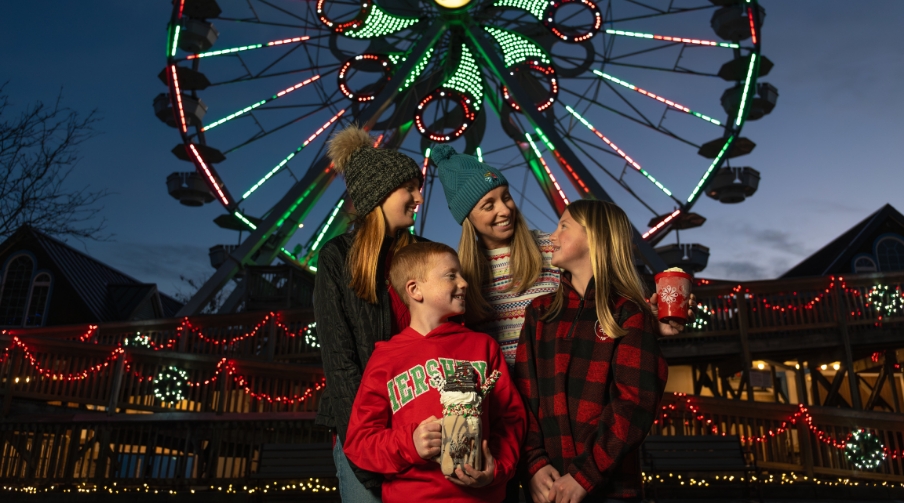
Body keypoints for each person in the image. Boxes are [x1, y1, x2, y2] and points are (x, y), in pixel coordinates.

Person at [430, 145, 691, 369]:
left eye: (506, 197)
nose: (505, 210)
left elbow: (597, 302)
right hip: (500, 399)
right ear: (467, 219)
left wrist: (650, 326)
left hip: (556, 388)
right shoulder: (461, 272)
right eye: (489, 205)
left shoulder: (552, 249)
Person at [344, 242, 527, 503]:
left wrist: (496, 469)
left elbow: (511, 419)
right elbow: (359, 441)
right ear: (415, 289)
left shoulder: (483, 347)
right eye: (451, 275)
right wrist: (411, 443)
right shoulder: (385, 358)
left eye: (461, 274)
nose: (464, 283)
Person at [515, 200, 668, 503]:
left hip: (610, 487)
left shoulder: (628, 313)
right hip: (546, 486)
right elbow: (523, 397)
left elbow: (634, 404)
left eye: (563, 226)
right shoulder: (539, 313)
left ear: (594, 237)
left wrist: (586, 475)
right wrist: (533, 464)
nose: (551, 236)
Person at [314, 124, 426, 501]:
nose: (418, 198)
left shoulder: (428, 255)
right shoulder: (336, 258)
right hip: (363, 433)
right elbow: (340, 361)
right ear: (378, 193)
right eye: (408, 188)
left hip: (422, 427)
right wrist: (362, 450)